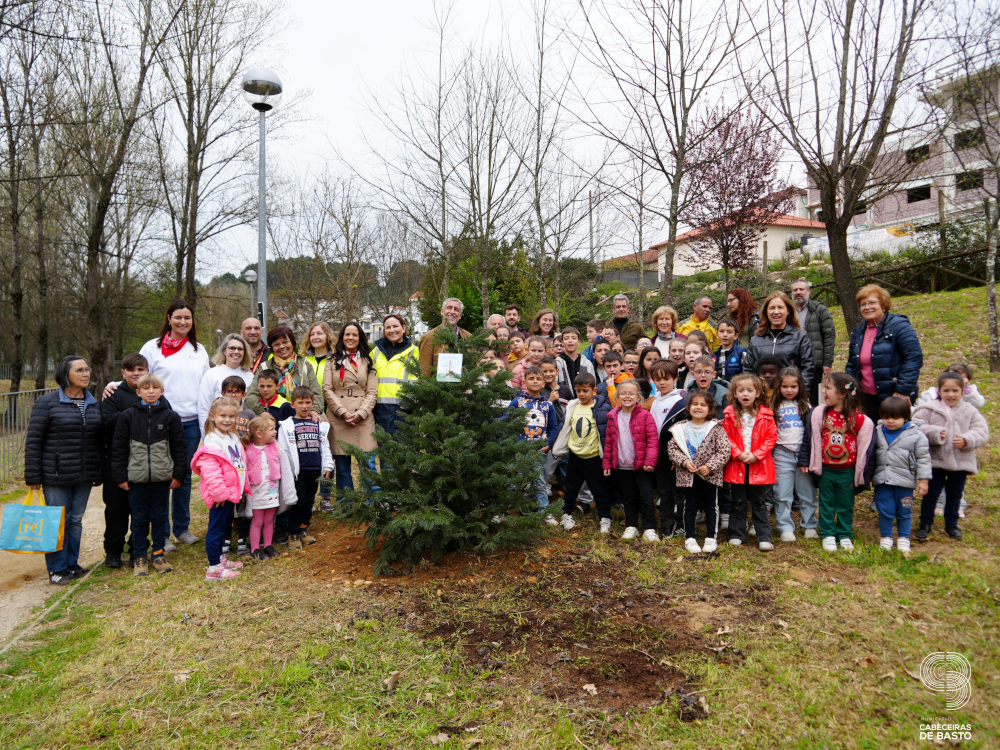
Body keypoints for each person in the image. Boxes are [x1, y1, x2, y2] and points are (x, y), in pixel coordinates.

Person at [24, 355, 104, 586]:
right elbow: (34, 441)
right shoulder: (47, 403)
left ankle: (71, 564)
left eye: (87, 369)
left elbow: (98, 441)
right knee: (57, 521)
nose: (86, 374)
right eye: (79, 370)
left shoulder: (93, 403)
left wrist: (97, 470)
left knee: (76, 520)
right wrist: (33, 476)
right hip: (55, 474)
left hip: (84, 474)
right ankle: (57, 569)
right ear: (65, 374)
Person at [136, 299, 210, 547]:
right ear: (168, 318)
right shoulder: (151, 348)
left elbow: (206, 386)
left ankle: (181, 529)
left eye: (187, 318)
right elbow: (139, 377)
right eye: (178, 317)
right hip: (158, 421)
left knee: (183, 475)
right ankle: (161, 533)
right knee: (159, 476)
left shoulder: (198, 350)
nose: (183, 322)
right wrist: (114, 386)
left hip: (189, 424)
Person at [111, 373, 187, 576]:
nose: (151, 391)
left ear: (162, 392)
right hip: (136, 479)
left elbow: (180, 447)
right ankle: (139, 557)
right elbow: (118, 448)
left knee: (159, 517)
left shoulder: (171, 417)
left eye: (155, 388)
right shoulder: (127, 416)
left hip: (162, 479)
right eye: (146, 388)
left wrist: (178, 473)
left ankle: (158, 554)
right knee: (139, 519)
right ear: (138, 392)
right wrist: (121, 476)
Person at [913, 372, 989, 542]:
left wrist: (967, 439)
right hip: (935, 460)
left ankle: (951, 523)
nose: (951, 394)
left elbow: (982, 431)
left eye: (955, 390)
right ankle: (925, 523)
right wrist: (935, 433)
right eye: (946, 390)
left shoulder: (969, 410)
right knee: (930, 493)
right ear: (939, 391)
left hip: (960, 462)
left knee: (955, 493)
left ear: (962, 391)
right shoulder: (930, 408)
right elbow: (917, 426)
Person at [803, 373, 875, 552]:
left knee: (845, 504)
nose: (823, 391)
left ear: (843, 393)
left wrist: (864, 472)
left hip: (847, 471)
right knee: (826, 503)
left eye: (828, 388)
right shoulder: (821, 414)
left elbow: (866, 447)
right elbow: (811, 440)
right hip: (826, 469)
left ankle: (844, 534)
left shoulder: (859, 420)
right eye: (823, 387)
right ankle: (827, 534)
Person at [845, 284, 923, 424]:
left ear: (883, 304)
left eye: (872, 302)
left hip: (893, 395)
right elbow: (852, 364)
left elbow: (913, 359)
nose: (867, 307)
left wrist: (903, 391)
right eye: (863, 304)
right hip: (866, 398)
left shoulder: (900, 326)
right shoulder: (858, 332)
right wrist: (850, 391)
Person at [100, 353, 150, 567]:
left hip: (146, 462)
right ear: (123, 372)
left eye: (141, 369)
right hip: (118, 460)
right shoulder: (113, 394)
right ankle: (113, 551)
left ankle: (137, 548)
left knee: (141, 510)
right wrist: (137, 414)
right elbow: (107, 421)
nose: (136, 374)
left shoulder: (153, 392)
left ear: (147, 371)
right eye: (132, 370)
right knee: (116, 509)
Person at [190, 397, 247, 581]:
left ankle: (220, 559)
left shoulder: (231, 436)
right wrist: (220, 493)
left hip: (231, 493)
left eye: (232, 416)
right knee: (216, 530)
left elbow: (239, 464)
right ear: (213, 416)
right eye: (223, 416)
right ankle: (214, 568)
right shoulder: (212, 440)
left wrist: (242, 488)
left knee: (224, 528)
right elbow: (211, 471)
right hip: (221, 495)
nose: (228, 420)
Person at [667, 390, 730, 554]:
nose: (698, 407)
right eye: (695, 404)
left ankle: (711, 538)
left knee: (711, 506)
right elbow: (672, 448)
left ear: (710, 409)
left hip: (710, 475)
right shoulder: (680, 428)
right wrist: (684, 461)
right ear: (688, 407)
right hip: (688, 475)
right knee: (689, 506)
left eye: (703, 405)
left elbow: (724, 450)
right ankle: (690, 538)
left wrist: (710, 466)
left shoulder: (716, 428)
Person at [323, 321, 379, 502]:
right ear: (342, 337)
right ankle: (346, 504)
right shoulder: (332, 360)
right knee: (342, 465)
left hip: (363, 417)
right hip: (339, 417)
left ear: (360, 337)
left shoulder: (369, 360)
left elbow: (372, 391)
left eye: (355, 335)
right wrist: (342, 412)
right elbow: (327, 389)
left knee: (368, 463)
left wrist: (361, 413)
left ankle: (374, 501)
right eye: (347, 334)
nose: (351, 338)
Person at [721, 373, 777, 551]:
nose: (745, 394)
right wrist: (737, 454)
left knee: (759, 501)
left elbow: (771, 438)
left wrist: (757, 455)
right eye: (741, 390)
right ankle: (737, 533)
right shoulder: (729, 414)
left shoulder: (767, 415)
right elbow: (726, 436)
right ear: (735, 394)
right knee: (738, 501)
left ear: (758, 393)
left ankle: (764, 536)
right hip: (737, 463)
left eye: (750, 390)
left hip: (758, 464)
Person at [552, 373, 613, 533]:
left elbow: (607, 432)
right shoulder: (573, 406)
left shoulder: (602, 408)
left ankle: (605, 517)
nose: (581, 394)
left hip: (593, 457)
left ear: (593, 390)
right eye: (578, 391)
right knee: (571, 487)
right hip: (575, 456)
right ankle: (567, 514)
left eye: (585, 391)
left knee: (598, 489)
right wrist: (555, 443)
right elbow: (565, 427)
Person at [872, 396, 931, 556]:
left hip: (905, 483)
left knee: (904, 510)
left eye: (895, 418)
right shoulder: (876, 432)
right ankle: (886, 537)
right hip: (883, 481)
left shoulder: (917, 435)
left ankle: (904, 537)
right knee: (885, 510)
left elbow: (924, 458)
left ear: (905, 417)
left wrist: (923, 481)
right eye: (886, 417)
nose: (890, 421)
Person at [277, 386, 334, 549]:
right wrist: (287, 472)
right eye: (300, 402)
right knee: (298, 502)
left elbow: (325, 447)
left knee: (309, 501)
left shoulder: (319, 424)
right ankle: (293, 533)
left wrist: (328, 465)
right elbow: (283, 450)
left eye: (308, 402)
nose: (304, 406)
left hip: (314, 469)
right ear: (292, 404)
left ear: (313, 404)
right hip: (297, 473)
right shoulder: (287, 425)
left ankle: (304, 529)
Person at [603, 379, 659, 541]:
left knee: (647, 497)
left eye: (631, 393)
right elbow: (609, 442)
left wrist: (650, 461)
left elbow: (652, 441)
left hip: (642, 465)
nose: (627, 396)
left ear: (638, 397)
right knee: (629, 497)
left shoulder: (645, 416)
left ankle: (649, 528)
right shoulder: (613, 417)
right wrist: (607, 463)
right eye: (623, 393)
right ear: (618, 397)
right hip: (622, 466)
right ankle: (631, 525)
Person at [507, 366, 560, 519]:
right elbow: (506, 421)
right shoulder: (518, 402)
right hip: (520, 450)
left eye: (538, 379)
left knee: (540, 481)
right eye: (531, 378)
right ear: (524, 382)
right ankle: (503, 511)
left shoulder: (547, 405)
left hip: (539, 451)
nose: (535, 381)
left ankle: (545, 513)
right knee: (514, 481)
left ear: (544, 383)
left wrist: (548, 445)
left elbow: (553, 427)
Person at [770, 367, 814, 543]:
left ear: (800, 387)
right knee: (782, 493)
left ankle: (810, 525)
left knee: (807, 493)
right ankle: (785, 527)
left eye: (793, 386)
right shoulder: (774, 407)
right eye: (785, 386)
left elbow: (811, 435)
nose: (789, 390)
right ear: (778, 387)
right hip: (782, 453)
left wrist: (808, 456)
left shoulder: (807, 407)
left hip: (803, 455)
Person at [245, 414, 297, 560]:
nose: (275, 432)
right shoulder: (248, 450)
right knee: (257, 521)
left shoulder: (276, 447)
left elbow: (286, 469)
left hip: (272, 490)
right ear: (259, 434)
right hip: (257, 492)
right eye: (271, 429)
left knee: (269, 520)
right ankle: (255, 548)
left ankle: (267, 545)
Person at [647, 360, 688, 538]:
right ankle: (667, 523)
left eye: (667, 378)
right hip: (659, 454)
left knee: (680, 491)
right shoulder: (655, 401)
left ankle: (682, 522)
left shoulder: (681, 403)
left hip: (676, 456)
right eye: (658, 379)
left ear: (675, 379)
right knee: (664, 491)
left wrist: (677, 456)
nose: (662, 382)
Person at [246, 327, 324, 418]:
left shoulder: (305, 365)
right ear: (271, 347)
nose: (282, 346)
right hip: (273, 415)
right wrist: (262, 413)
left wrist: (314, 411)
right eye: (276, 344)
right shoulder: (264, 368)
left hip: (304, 414)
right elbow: (251, 396)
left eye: (285, 342)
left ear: (292, 343)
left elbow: (317, 392)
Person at [743, 291, 814, 391]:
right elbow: (748, 369)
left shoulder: (800, 337)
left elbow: (807, 369)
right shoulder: (756, 340)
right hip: (762, 396)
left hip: (789, 395)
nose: (776, 312)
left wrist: (800, 393)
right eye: (772, 308)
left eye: (780, 307)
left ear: (788, 310)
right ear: (766, 311)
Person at [371, 313, 420, 446]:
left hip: (403, 412)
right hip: (379, 412)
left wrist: (408, 403)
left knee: (405, 458)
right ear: (384, 331)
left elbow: (417, 380)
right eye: (388, 327)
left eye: (395, 326)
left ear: (404, 328)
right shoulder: (375, 352)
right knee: (386, 457)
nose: (392, 330)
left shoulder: (414, 351)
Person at [221, 375, 256, 558]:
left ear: (244, 394)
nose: (233, 395)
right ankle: (225, 538)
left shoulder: (249, 414)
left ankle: (242, 537)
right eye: (229, 391)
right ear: (223, 393)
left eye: (237, 392)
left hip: (245, 465)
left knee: (242, 502)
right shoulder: (220, 415)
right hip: (226, 466)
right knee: (227, 503)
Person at [790, 279, 836, 405]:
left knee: (815, 396)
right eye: (795, 290)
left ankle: (815, 421)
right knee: (795, 395)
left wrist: (827, 362)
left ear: (808, 292)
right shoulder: (788, 311)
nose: (798, 292)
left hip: (814, 360)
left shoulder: (819, 309)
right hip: (793, 360)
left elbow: (829, 336)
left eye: (801, 289)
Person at [198, 333, 254, 437]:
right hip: (218, 434)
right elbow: (204, 408)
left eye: (240, 349)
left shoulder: (250, 376)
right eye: (232, 348)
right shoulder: (212, 374)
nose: (236, 352)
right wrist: (206, 436)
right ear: (224, 350)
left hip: (243, 437)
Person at [420, 297, 473, 376]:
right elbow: (424, 372)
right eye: (449, 308)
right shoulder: (428, 338)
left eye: (456, 309)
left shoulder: (468, 337)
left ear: (460, 315)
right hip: (438, 387)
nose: (452, 312)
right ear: (442, 311)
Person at [557, 326, 596, 396]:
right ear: (562, 343)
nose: (570, 340)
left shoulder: (587, 363)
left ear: (578, 342)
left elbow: (593, 385)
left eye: (574, 338)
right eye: (566, 338)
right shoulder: (557, 363)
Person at [304, 321, 337, 393]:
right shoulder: (303, 360)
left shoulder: (336, 359)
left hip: (329, 402)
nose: (315, 337)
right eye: (312, 334)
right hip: (307, 402)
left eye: (319, 333)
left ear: (328, 336)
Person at [714, 317, 749, 382]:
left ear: (736, 336)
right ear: (717, 334)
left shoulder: (741, 353)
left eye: (729, 332)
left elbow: (747, 374)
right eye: (721, 331)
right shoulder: (714, 355)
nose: (725, 335)